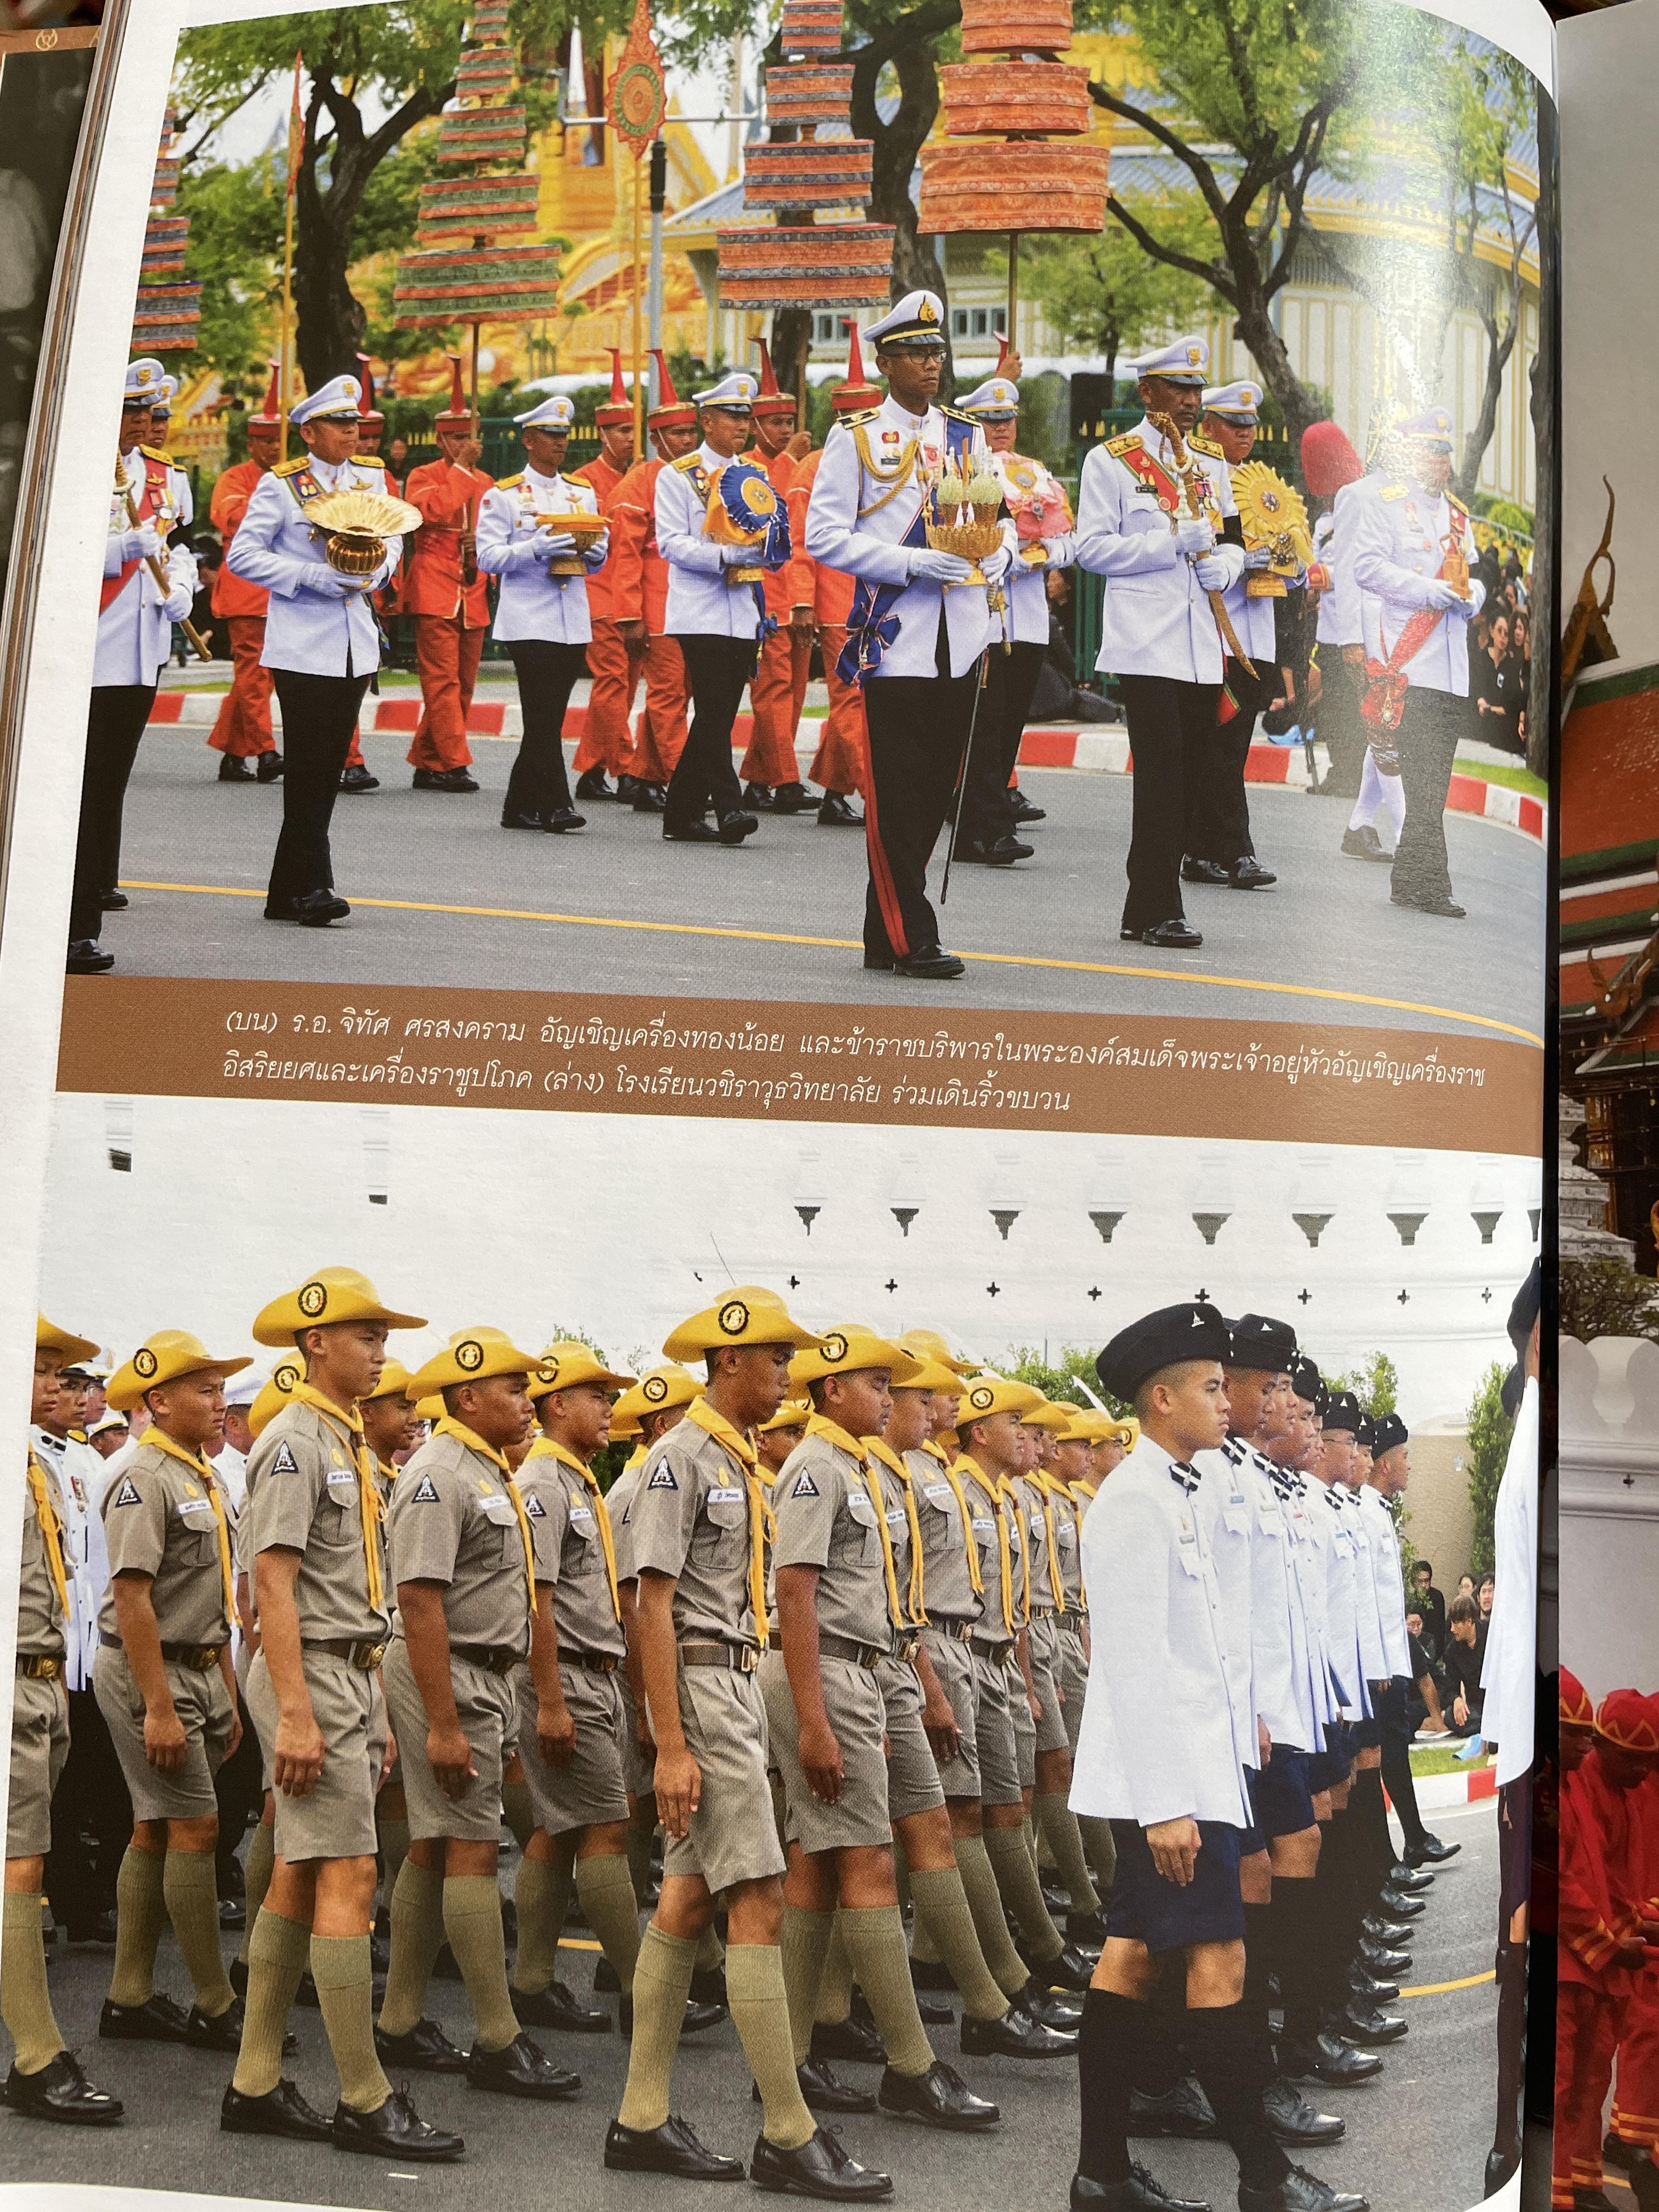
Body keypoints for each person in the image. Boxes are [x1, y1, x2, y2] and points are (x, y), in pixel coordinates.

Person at [1070, 1300, 1362, 2212]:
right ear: (1160, 1398)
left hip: (1199, 1772)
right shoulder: (1132, 1500)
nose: (1222, 1397)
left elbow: (1211, 1651)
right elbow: (1133, 1664)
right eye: (1207, 1384)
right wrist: (1165, 1803)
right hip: (1167, 1785)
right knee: (1217, 1965)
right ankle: (1263, 2180)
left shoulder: (1179, 1488)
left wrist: (1240, 1743)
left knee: (1126, 1958)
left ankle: (1101, 2175)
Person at [606, 1285, 890, 2197]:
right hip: (700, 1687)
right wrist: (670, 1744)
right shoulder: (679, 1459)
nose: (785, 1374)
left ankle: (639, 2117)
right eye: (774, 1359)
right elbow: (648, 1603)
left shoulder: (731, 1459)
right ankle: (785, 2129)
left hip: (725, 1679)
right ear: (728, 1359)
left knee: (687, 1899)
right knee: (758, 1894)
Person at [225, 1266, 459, 2159]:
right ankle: (362, 2095)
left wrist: (364, 1708)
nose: (380, 1354)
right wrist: (294, 1711)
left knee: (297, 1875)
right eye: (366, 1337)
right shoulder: (295, 1442)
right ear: (315, 1340)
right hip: (311, 1672)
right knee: (349, 1878)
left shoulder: (347, 1443)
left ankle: (253, 2080)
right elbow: (273, 1585)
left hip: (345, 1670)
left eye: (383, 1339)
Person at [764, 1326, 1005, 2129]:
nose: (893, 1397)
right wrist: (814, 1721)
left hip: (870, 1668)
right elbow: (794, 1596)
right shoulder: (814, 1469)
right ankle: (910, 2066)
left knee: (840, 1857)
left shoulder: (860, 1467)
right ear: (832, 1390)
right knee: (856, 1858)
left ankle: (792, 2059)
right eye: (876, 1384)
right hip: (827, 1671)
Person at [376, 1326, 580, 2101]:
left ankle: (397, 2021)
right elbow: (419, 1602)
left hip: (482, 1674)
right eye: (516, 1390)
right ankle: (498, 2037)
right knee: (469, 1847)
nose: (528, 1403)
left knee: (435, 1848)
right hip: (450, 1671)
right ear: (469, 1396)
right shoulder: (438, 1474)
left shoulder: (489, 1471)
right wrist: (443, 1723)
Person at [804, 289, 1012, 979]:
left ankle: (884, 930)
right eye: (917, 353)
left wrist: (1000, 555)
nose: (932, 363)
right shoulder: (856, 437)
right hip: (898, 634)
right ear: (887, 363)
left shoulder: (966, 434)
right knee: (898, 792)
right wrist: (914, 561)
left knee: (935, 791)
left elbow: (1000, 515)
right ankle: (911, 931)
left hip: (963, 634)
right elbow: (825, 536)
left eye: (937, 352)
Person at [93, 1331, 250, 2051]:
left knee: (156, 1828)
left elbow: (209, 1594)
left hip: (196, 1664)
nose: (221, 1404)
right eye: (205, 1390)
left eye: (221, 1390)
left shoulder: (201, 1476)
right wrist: (158, 1707)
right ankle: (216, 2005)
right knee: (196, 1828)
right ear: (158, 1401)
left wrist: (224, 1691)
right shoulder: (143, 1476)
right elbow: (132, 1599)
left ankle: (128, 1997)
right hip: (148, 1669)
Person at [1073, 337, 1246, 951]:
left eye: (1197, 389)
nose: (1192, 400)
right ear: (1146, 392)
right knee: (1163, 777)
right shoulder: (1110, 462)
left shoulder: (1209, 462)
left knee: (1192, 779)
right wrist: (1169, 545)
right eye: (1179, 387)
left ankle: (1142, 904)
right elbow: (1090, 549)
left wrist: (1225, 567)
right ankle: (1157, 905)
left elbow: (1233, 539)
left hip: (1201, 644)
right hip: (1145, 645)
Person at [224, 374, 406, 930]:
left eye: (356, 423)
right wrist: (309, 576)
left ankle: (287, 891)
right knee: (309, 767)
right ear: (310, 431)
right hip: (303, 642)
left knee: (325, 769)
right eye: (340, 423)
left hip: (353, 642)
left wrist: (375, 572)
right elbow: (243, 557)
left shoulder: (372, 478)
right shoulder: (283, 486)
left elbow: (395, 535)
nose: (353, 432)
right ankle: (316, 886)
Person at [2, 1314, 125, 2126]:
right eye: (44, 1369)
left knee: (26, 1867)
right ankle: (38, 2054)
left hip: (49, 1680)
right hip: (16, 1681)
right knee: (20, 1874)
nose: (59, 1383)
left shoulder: (54, 1466)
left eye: (64, 1372)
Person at [67, 356, 199, 975]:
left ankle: (84, 916)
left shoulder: (166, 477)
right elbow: (48, 552)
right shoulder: (71, 465)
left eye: (147, 411)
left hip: (140, 652)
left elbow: (178, 548)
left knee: (105, 787)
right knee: (76, 792)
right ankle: (69, 926)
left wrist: (184, 590)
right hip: (86, 649)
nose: (142, 421)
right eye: (130, 409)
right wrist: (117, 549)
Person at [1350, 404, 1485, 918]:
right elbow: (1365, 567)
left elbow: (1470, 575)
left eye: (1446, 455)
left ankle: (1410, 880)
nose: (1442, 465)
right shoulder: (1387, 505)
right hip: (1410, 663)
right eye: (1432, 454)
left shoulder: (1457, 515)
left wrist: (1473, 595)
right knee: (1427, 782)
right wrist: (1427, 590)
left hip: (1450, 667)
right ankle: (1429, 884)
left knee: (1434, 782)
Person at [655, 369, 787, 848]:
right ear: (706, 420)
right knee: (713, 709)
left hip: (744, 607)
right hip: (701, 607)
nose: (742, 425)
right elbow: (670, 544)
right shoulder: (678, 475)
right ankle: (730, 808)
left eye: (746, 417)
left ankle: (681, 812)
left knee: (721, 713)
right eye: (732, 416)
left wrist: (770, 548)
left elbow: (770, 527)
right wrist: (725, 555)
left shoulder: (755, 475)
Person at [953, 365, 1074, 868]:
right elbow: (962, 539)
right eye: (990, 420)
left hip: (1027, 616)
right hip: (984, 616)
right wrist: (1021, 553)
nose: (1001, 428)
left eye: (1007, 419)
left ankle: (981, 824)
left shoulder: (1036, 473)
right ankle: (987, 825)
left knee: (1009, 726)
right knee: (986, 723)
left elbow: (1068, 541)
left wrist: (1042, 554)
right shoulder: (963, 474)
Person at [475, 393, 607, 834]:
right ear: (529, 439)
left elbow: (593, 551)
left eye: (564, 435)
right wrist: (533, 549)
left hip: (571, 614)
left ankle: (518, 805)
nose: (560, 443)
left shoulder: (580, 492)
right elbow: (488, 557)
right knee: (542, 713)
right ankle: (557, 804)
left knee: (547, 716)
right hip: (529, 616)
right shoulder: (505, 496)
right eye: (550, 435)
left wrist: (597, 555)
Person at [1182, 380, 1281, 895]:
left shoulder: (1263, 487)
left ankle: (1198, 850)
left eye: (1249, 425)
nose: (1245, 434)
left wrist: (1294, 565)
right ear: (1210, 427)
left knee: (1228, 747)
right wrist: (1244, 560)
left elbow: (1292, 545)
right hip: (1221, 634)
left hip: (1257, 635)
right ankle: (1236, 851)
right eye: (1233, 424)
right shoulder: (1202, 480)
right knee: (1223, 747)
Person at [783, 324, 880, 830]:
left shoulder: (890, 463)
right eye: (850, 417)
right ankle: (876, 794)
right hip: (837, 602)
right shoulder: (813, 470)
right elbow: (799, 543)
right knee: (851, 698)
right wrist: (802, 602)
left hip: (882, 600)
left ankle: (835, 793)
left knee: (863, 698)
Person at [607, 352, 699, 810]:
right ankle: (688, 785)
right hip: (657, 606)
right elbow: (624, 554)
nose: (686, 440)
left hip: (693, 604)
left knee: (679, 693)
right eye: (677, 433)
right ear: (657, 436)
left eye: (690, 432)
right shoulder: (639, 482)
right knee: (667, 697)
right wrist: (629, 615)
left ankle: (646, 776)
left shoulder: (700, 476)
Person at [400, 356, 494, 797]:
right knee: (441, 680)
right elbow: (429, 512)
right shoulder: (422, 475)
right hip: (434, 583)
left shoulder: (489, 481)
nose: (463, 443)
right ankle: (454, 763)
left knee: (465, 680)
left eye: (468, 436)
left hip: (472, 587)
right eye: (455, 437)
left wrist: (483, 545)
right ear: (440, 440)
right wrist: (462, 471)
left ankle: (429, 760)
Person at [739, 338, 819, 817]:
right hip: (763, 596)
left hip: (796, 592)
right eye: (775, 422)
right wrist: (791, 458)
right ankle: (786, 781)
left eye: (789, 421)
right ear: (755, 426)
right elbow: (771, 511)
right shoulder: (746, 469)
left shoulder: (794, 464)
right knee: (770, 689)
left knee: (792, 692)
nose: (785, 429)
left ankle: (760, 779)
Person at [571, 350, 644, 804]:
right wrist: (629, 486)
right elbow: (594, 535)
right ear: (602, 434)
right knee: (614, 681)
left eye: (634, 431)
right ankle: (625, 767)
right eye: (621, 431)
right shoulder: (581, 481)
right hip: (599, 595)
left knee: (622, 686)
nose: (629, 439)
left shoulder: (644, 476)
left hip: (633, 596)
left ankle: (590, 768)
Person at [207, 363, 285, 785]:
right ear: (252, 443)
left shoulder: (293, 479)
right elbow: (229, 517)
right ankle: (266, 751)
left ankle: (232, 752)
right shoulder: (234, 478)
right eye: (265, 442)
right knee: (254, 671)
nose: (273, 450)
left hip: (279, 590)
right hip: (245, 587)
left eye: (279, 442)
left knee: (255, 675)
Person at [1439, 1596, 1485, 1738]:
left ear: (1469, 1622)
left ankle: (1488, 1725)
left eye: (1456, 1623)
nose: (1452, 1629)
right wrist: (1456, 1699)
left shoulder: (1491, 1635)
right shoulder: (1452, 1651)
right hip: (1476, 1707)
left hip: (1497, 1700)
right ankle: (1489, 1725)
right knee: (1450, 1716)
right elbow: (1449, 1687)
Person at [1408, 1560, 1446, 1655]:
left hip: (1433, 1646)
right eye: (1420, 1581)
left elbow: (1439, 1628)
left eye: (1426, 1581)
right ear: (1414, 1583)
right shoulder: (1410, 1601)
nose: (1424, 1585)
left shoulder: (1436, 1597)